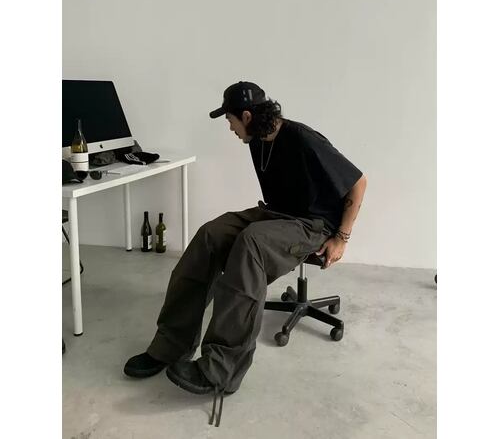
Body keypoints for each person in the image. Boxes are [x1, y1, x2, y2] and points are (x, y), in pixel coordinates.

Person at [124, 81, 367, 424]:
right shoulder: (256, 140)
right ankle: (170, 345)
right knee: (210, 234)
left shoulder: (302, 138)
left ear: (248, 116)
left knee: (250, 245)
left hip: (312, 225)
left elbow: (359, 183)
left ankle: (221, 369)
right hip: (276, 214)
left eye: (231, 120)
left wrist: (341, 237)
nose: (230, 128)